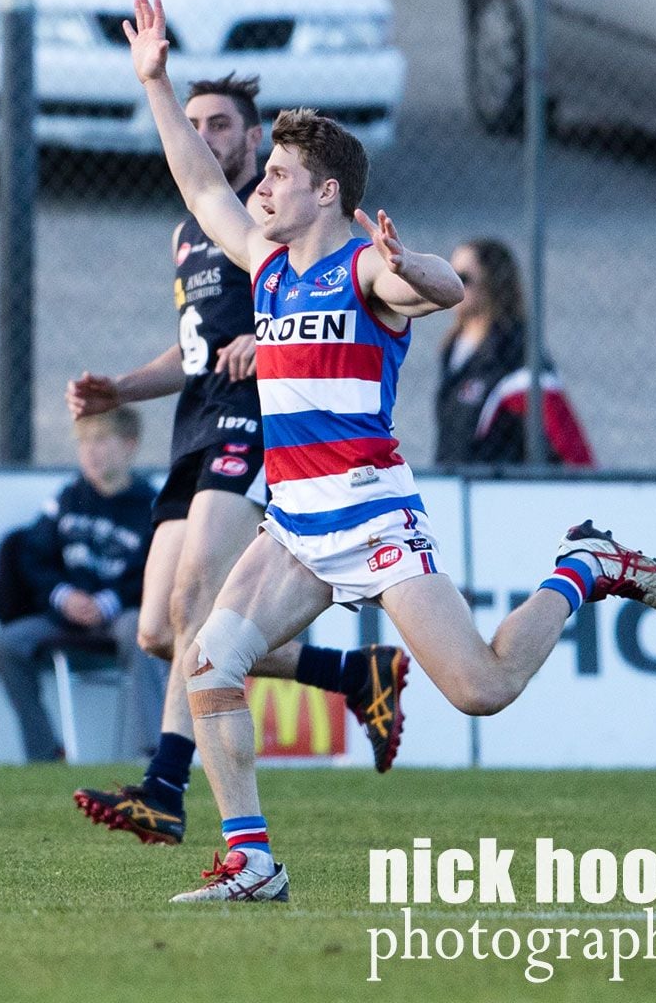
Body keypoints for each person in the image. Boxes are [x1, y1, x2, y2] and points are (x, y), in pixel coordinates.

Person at [122, 0, 656, 904]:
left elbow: (444, 286)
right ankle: (253, 861)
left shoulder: (364, 265)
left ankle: (586, 564)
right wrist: (155, 81)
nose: (259, 187)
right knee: (210, 663)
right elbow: (197, 183)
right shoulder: (264, 261)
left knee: (481, 689)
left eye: (278, 177)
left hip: (371, 512)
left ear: (327, 192)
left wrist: (410, 262)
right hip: (295, 521)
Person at [69, 75, 405, 848]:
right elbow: (197, 352)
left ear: (253, 141)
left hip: (255, 424)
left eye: (221, 124)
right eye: (195, 124)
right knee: (159, 629)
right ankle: (356, 676)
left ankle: (164, 788)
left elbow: (323, 291)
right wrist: (121, 387)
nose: (207, 136)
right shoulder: (191, 232)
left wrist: (270, 332)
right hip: (195, 426)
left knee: (195, 606)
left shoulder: (278, 209)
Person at [0, 407, 163, 764]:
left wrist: (110, 602)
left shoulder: (152, 505)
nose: (90, 451)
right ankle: (44, 755)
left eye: (101, 440)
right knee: (6, 643)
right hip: (65, 615)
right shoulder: (68, 499)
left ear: (129, 445)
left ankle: (155, 752)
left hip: (122, 614)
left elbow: (160, 570)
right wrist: (63, 596)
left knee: (141, 630)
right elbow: (31, 557)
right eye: (83, 442)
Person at [434, 237, 594, 467]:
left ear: (491, 283)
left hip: (498, 486)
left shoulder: (515, 349)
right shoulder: (452, 348)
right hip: (455, 481)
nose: (452, 284)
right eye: (449, 275)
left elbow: (561, 432)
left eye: (463, 278)